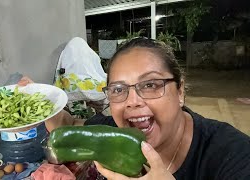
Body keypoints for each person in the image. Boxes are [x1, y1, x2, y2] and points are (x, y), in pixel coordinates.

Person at [20, 38, 250, 180]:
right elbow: (68, 126)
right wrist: (39, 100)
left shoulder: (233, 155)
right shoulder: (116, 135)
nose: (132, 101)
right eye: (118, 89)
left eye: (150, 85)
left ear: (180, 91)